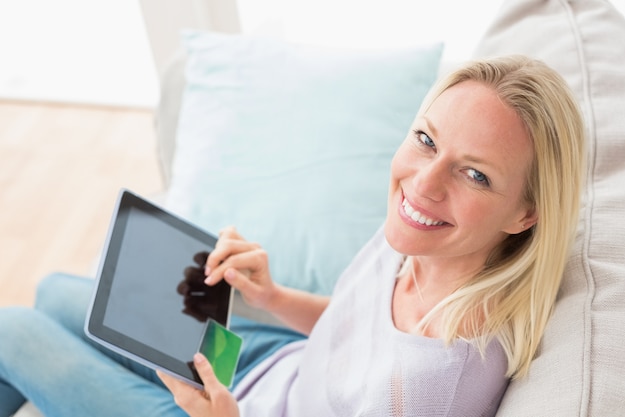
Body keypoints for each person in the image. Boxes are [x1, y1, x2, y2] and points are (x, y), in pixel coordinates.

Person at [0, 55, 585, 417]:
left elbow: (388, 372)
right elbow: (359, 329)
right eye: (427, 140)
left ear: (525, 214)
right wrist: (271, 298)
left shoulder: (432, 386)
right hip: (270, 366)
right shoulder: (416, 237)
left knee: (11, 327)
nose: (423, 184)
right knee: (55, 289)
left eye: (475, 174)